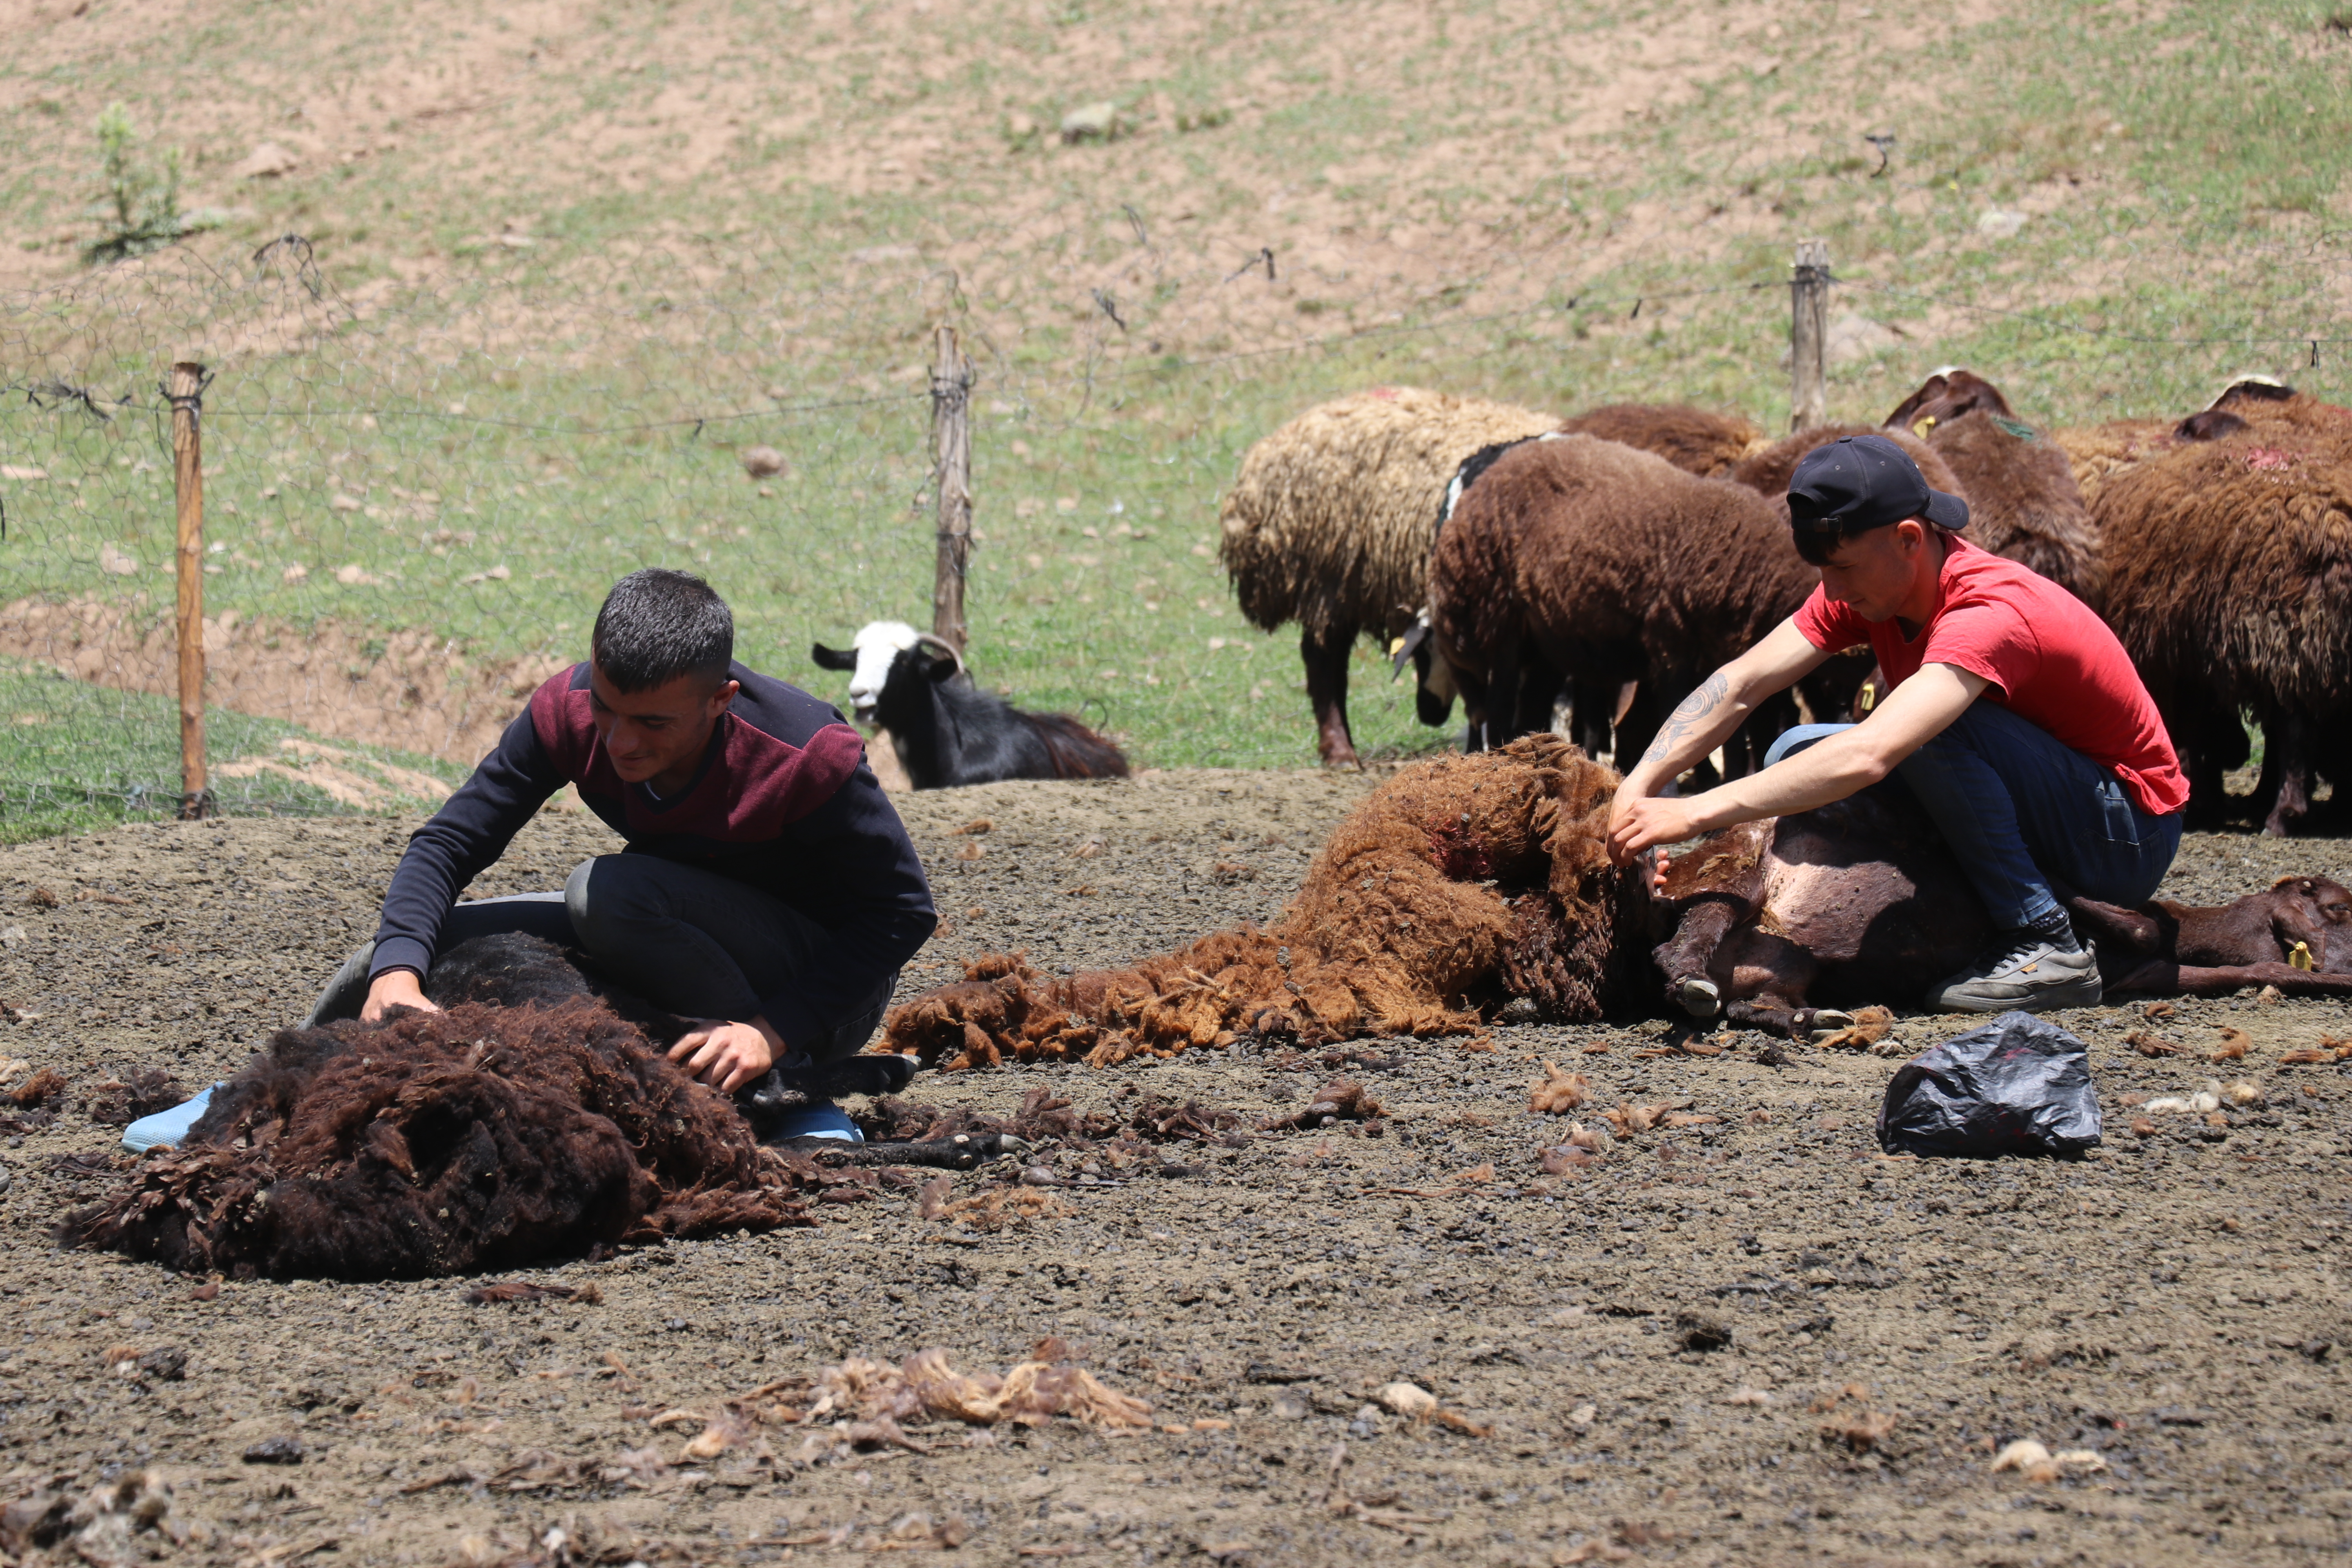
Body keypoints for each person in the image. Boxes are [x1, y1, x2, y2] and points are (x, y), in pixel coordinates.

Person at [307, 567, 938, 1140]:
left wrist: (768, 1034)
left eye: (653, 723)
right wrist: (396, 976)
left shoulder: (807, 755)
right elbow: (448, 841)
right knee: (408, 947)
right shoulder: (568, 713)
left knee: (604, 896)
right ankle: (287, 1087)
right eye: (607, 710)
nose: (621, 741)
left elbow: (902, 913)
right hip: (676, 935)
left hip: (815, 996)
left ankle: (787, 1093)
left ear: (721, 700)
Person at [1606, 433, 2187, 1013]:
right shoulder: (1874, 587)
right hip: (2050, 800)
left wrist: (1692, 812)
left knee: (1916, 732)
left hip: (2124, 832)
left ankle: (2044, 940)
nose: (1831, 591)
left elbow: (1872, 753)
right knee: (1795, 748)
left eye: (1843, 568)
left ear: (1909, 538)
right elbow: (1742, 684)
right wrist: (1639, 786)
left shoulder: (1989, 612)